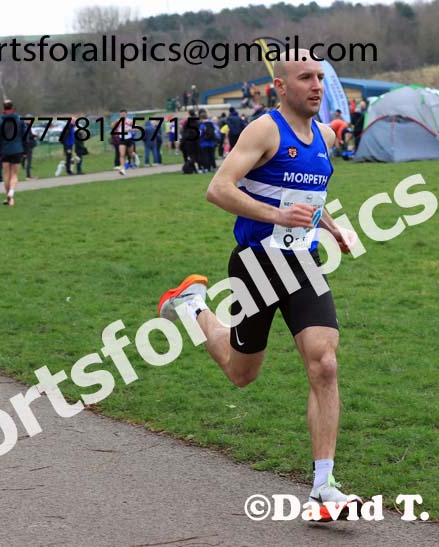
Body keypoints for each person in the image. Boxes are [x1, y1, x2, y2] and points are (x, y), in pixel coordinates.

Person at [157, 49, 359, 519]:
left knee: (325, 364)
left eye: (319, 77)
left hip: (303, 265)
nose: (316, 85)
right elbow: (218, 189)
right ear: (282, 87)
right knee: (241, 373)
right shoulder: (265, 129)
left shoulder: (324, 135)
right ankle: (191, 307)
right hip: (255, 266)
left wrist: (330, 228)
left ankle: (323, 491)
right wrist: (276, 216)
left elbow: (309, 193)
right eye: (305, 77)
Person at [0, 99, 25, 206]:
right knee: (14, 174)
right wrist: (24, 149)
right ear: (13, 108)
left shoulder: (0, 121)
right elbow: (25, 135)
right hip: (17, 149)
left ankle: (9, 198)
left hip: (4, 150)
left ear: (3, 109)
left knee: (6, 174)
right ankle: (11, 193)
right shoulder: (19, 120)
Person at [22, 114, 37, 178]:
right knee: (29, 161)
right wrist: (34, 135)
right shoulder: (26, 126)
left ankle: (28, 174)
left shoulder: (27, 126)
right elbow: (27, 136)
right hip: (28, 145)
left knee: (28, 160)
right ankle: (28, 175)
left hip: (28, 145)